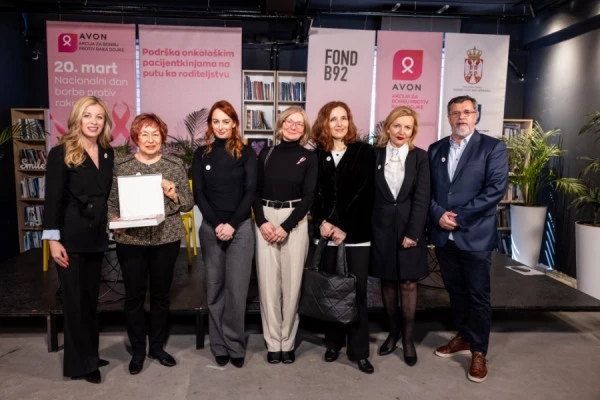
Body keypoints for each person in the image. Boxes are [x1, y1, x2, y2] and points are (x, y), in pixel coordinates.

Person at [428, 95, 508, 382]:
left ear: (476, 116)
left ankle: (478, 350)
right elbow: (427, 190)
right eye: (455, 112)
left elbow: (495, 189)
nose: (461, 117)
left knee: (478, 295)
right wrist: (438, 214)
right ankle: (463, 336)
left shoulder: (493, 148)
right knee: (455, 291)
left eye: (466, 112)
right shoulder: (436, 149)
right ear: (448, 117)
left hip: (474, 235)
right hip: (444, 236)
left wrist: (458, 217)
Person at [107, 113, 193, 375]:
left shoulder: (174, 164)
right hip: (130, 240)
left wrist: (174, 194)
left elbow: (188, 204)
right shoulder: (121, 166)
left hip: (165, 239)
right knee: (134, 296)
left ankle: (156, 347)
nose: (150, 139)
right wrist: (114, 221)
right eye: (144, 134)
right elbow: (111, 203)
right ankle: (138, 350)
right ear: (136, 137)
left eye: (155, 134)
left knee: (160, 296)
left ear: (162, 138)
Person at [42, 96, 114, 384]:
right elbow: (52, 200)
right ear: (77, 119)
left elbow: (106, 195)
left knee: (90, 301)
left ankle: (90, 354)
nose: (93, 122)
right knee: (74, 304)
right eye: (88, 115)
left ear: (105, 122)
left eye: (99, 116)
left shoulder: (107, 153)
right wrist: (53, 241)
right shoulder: (61, 153)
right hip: (70, 240)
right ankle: (80, 365)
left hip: (96, 238)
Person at [310, 101, 376, 374]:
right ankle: (333, 343)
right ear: (324, 124)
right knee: (331, 290)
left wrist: (344, 227)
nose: (339, 123)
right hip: (325, 235)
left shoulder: (364, 152)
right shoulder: (316, 156)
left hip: (356, 236)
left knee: (356, 292)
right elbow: (311, 195)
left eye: (344, 118)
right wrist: (322, 222)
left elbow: (366, 194)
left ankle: (359, 351)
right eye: (333, 119)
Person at [192, 101, 257, 368]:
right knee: (215, 288)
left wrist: (231, 224)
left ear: (234, 124)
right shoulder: (201, 154)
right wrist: (218, 223)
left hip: (240, 229)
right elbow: (199, 194)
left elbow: (250, 192)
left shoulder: (247, 153)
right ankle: (219, 345)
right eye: (216, 121)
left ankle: (234, 344)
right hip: (211, 228)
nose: (220, 126)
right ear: (210, 125)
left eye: (226, 121)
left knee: (237, 291)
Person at [252, 106, 317, 365]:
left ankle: (287, 342)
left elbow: (309, 197)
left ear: (304, 130)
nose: (293, 126)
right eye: (289, 121)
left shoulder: (309, 157)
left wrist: (286, 226)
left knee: (292, 285)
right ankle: (272, 342)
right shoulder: (265, 154)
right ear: (280, 125)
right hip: (266, 220)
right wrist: (261, 221)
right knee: (268, 285)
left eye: (299, 123)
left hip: (295, 221)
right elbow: (254, 191)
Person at [370, 106, 431, 367]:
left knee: (408, 284)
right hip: (381, 229)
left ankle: (407, 340)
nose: (401, 131)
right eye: (397, 125)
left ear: (413, 131)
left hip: (409, 229)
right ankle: (392, 333)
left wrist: (414, 233)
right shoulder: (374, 155)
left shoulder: (420, 157)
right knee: (387, 282)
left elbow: (422, 198)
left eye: (407, 127)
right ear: (388, 127)